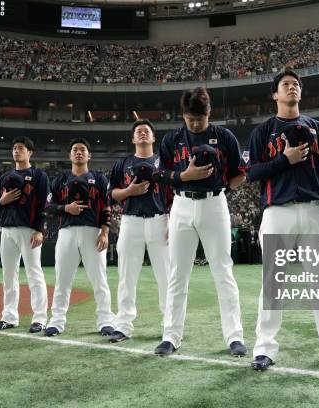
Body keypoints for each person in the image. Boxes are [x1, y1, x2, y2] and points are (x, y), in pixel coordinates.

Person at [246, 69, 319, 372]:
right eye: (285, 84)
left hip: (312, 210)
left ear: (300, 92)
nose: (291, 87)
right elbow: (252, 173)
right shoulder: (263, 131)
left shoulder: (317, 128)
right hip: (277, 211)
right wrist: (285, 159)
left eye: (295, 84)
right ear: (275, 94)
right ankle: (264, 348)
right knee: (273, 281)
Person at [153, 87, 247, 357]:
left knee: (223, 271)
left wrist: (220, 188)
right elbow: (160, 175)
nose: (195, 123)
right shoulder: (172, 139)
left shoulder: (224, 136)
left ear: (209, 114)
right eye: (190, 118)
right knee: (178, 274)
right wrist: (186, 175)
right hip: (181, 204)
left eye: (200, 118)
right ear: (183, 115)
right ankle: (170, 335)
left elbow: (241, 173)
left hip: (214, 203)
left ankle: (234, 336)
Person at [107, 119, 170, 342]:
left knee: (166, 275)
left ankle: (170, 324)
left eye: (146, 131)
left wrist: (172, 220)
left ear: (153, 138)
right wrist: (129, 191)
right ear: (133, 139)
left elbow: (174, 192)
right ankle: (123, 324)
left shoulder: (165, 161)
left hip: (160, 219)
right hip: (130, 220)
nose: (142, 134)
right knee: (126, 275)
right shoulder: (123, 163)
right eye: (138, 132)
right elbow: (111, 194)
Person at [45, 138, 115, 337]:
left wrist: (104, 232)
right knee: (62, 280)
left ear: (89, 156)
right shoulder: (59, 180)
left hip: (92, 232)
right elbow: (48, 207)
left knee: (99, 280)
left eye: (82, 150)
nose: (78, 152)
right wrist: (66, 208)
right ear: (69, 155)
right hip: (66, 232)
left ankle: (105, 321)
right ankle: (56, 322)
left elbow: (106, 206)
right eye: (75, 150)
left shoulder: (99, 178)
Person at [0, 137, 49, 334]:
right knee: (8, 275)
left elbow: (44, 204)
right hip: (6, 229)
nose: (16, 151)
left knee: (34, 273)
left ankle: (40, 318)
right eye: (14, 148)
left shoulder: (39, 175)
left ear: (30, 152)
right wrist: (2, 200)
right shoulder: (4, 177)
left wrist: (39, 229)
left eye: (21, 148)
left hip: (29, 230)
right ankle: (9, 317)